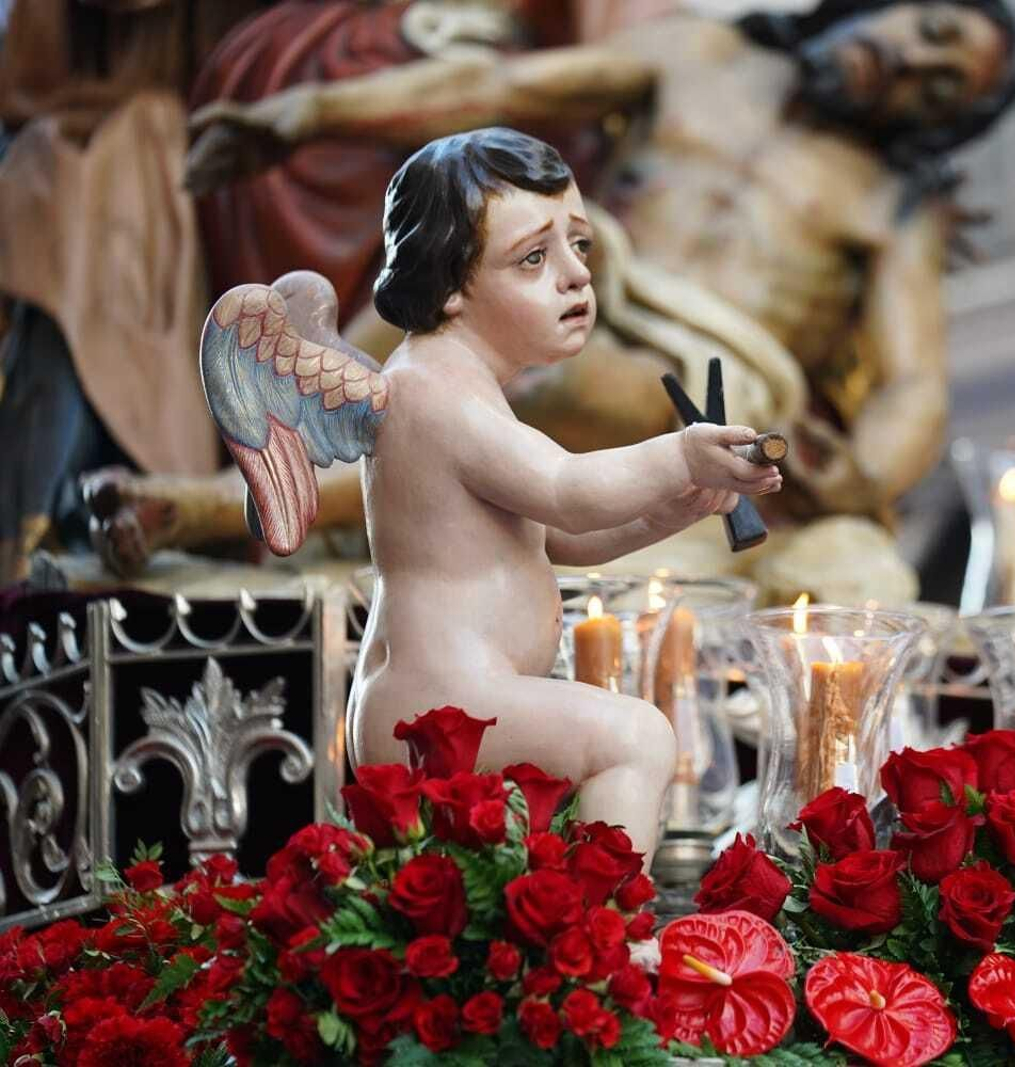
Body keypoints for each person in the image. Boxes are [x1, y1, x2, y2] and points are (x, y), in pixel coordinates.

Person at [89, 0, 1015, 602]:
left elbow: (913, 385)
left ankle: (210, 510)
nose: (913, 68)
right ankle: (258, 506)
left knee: (524, 385)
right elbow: (495, 86)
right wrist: (313, 113)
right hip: (577, 272)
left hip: (700, 367)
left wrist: (863, 475)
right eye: (931, 33)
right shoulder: (697, 52)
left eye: (945, 92)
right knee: (429, 314)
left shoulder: (890, 205)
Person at [202, 128, 781, 862]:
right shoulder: (430, 391)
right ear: (448, 286)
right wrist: (680, 452)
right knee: (636, 737)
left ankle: (567, 930)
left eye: (581, 245)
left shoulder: (467, 387)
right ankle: (606, 931)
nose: (575, 276)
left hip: (459, 699)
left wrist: (674, 503)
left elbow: (555, 537)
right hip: (438, 707)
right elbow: (568, 490)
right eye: (535, 258)